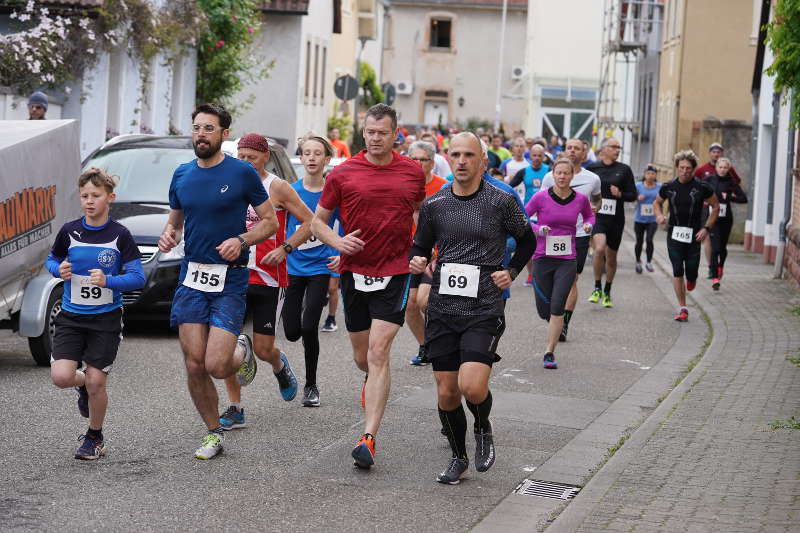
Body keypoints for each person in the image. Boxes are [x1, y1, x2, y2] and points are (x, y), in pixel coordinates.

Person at [409, 132, 536, 484]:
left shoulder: (501, 201)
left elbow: (528, 240)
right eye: (456, 155)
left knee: (472, 387)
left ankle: (482, 426)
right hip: (443, 308)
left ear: (483, 160)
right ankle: (458, 456)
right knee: (447, 391)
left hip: (484, 306)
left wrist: (511, 271)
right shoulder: (435, 204)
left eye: (469, 155)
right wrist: (417, 261)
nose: (462, 161)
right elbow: (420, 245)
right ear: (447, 159)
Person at [159, 103, 278, 459]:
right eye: (196, 128)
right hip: (192, 277)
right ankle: (213, 433)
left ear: (224, 135)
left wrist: (241, 241)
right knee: (194, 363)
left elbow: (269, 222)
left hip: (230, 279)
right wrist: (168, 235)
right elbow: (175, 221)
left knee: (215, 364)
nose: (201, 134)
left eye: (209, 128)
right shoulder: (181, 174)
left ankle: (242, 351)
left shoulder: (242, 173)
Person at [311, 103, 425, 469]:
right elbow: (318, 222)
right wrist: (337, 242)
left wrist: (422, 251)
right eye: (370, 132)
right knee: (363, 357)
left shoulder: (411, 172)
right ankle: (373, 380)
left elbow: (422, 215)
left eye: (382, 132)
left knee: (378, 353)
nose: (375, 138)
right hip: (354, 272)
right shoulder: (343, 174)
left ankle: (369, 437)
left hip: (395, 271)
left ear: (396, 134)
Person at [47, 167, 145, 459]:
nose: (89, 201)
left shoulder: (120, 235)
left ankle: (94, 437)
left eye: (96, 195)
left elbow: (138, 278)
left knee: (97, 381)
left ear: (110, 197)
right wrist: (58, 269)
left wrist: (109, 280)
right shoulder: (69, 231)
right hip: (71, 316)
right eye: (84, 196)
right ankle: (83, 387)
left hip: (105, 319)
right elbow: (51, 260)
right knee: (62, 377)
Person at [217, 133, 313, 429]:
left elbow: (310, 222)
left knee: (263, 348)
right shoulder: (228, 184)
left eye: (252, 157)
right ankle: (235, 408)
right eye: (241, 156)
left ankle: (278, 364)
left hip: (269, 277)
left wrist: (286, 249)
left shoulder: (278, 187)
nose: (245, 162)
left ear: (265, 158)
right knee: (225, 344)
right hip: (233, 274)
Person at [281, 133, 342, 406]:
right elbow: (279, 226)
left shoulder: (333, 193)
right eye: (307, 153)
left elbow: (345, 227)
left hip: (320, 267)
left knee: (309, 327)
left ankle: (311, 386)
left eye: (318, 153)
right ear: (301, 157)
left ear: (327, 158)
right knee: (292, 331)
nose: (312, 158)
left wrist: (340, 255)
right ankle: (285, 367)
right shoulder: (290, 192)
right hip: (293, 267)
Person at [526, 157, 595, 369]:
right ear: (553, 175)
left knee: (557, 306)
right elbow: (523, 217)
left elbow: (590, 217)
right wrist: (539, 229)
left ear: (572, 175)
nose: (562, 176)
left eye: (566, 173)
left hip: (567, 259)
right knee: (543, 309)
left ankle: (549, 352)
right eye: (559, 173)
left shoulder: (580, 199)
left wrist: (589, 226)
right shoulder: (541, 197)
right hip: (542, 258)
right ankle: (553, 324)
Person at [540, 139, 601, 341]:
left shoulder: (592, 179)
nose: (573, 151)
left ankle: (563, 322)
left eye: (577, 148)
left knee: (572, 278)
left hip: (579, 236)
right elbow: (540, 204)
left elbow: (597, 199)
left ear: (584, 153)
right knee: (551, 281)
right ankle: (555, 313)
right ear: (564, 151)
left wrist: (594, 212)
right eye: (569, 148)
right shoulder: (550, 177)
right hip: (553, 236)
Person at [654, 150, 719, 322]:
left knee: (691, 273)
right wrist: (659, 215)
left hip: (694, 236)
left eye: (688, 168)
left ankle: (692, 279)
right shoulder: (668, 187)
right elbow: (657, 203)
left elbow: (716, 207)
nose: (685, 171)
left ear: (693, 169)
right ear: (677, 168)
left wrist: (706, 228)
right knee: (677, 270)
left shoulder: (702, 187)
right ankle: (683, 308)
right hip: (674, 234)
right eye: (681, 167)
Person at [406, 140, 449, 366]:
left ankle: (440, 341)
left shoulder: (443, 187)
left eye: (423, 159)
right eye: (414, 158)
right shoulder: (401, 184)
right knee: (410, 305)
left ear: (432, 163)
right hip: (409, 250)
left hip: (437, 251)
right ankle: (426, 346)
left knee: (424, 302)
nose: (418, 163)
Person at [587, 137, 636, 308]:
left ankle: (607, 290)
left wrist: (620, 194)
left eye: (619, 147)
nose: (617, 150)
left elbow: (633, 195)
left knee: (612, 257)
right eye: (614, 147)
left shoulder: (624, 170)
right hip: (598, 216)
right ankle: (596, 287)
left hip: (616, 219)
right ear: (604, 149)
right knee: (599, 248)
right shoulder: (592, 168)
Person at [693, 142, 743, 278]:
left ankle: (716, 266)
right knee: (708, 239)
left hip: (724, 214)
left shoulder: (729, 172)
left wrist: (729, 196)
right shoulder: (703, 170)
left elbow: (737, 184)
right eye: (713, 152)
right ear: (710, 153)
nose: (716, 154)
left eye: (718, 152)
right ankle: (712, 267)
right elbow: (696, 184)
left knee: (720, 245)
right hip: (707, 210)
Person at [706, 157, 748, 290]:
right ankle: (714, 277)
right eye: (720, 167)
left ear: (728, 168)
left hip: (726, 219)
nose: (722, 169)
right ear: (716, 167)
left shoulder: (732, 182)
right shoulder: (709, 180)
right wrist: (704, 201)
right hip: (713, 218)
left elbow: (743, 199)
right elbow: (699, 193)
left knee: (722, 248)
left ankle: (720, 266)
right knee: (715, 248)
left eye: (725, 167)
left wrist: (729, 197)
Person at [633, 165, 661, 274]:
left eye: (653, 174)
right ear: (644, 175)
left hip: (653, 219)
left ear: (655, 175)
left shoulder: (659, 187)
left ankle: (649, 262)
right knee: (639, 241)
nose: (650, 176)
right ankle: (638, 261)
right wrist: (637, 197)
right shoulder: (638, 186)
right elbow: (630, 197)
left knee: (649, 240)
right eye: (648, 173)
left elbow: (663, 199)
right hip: (639, 219)